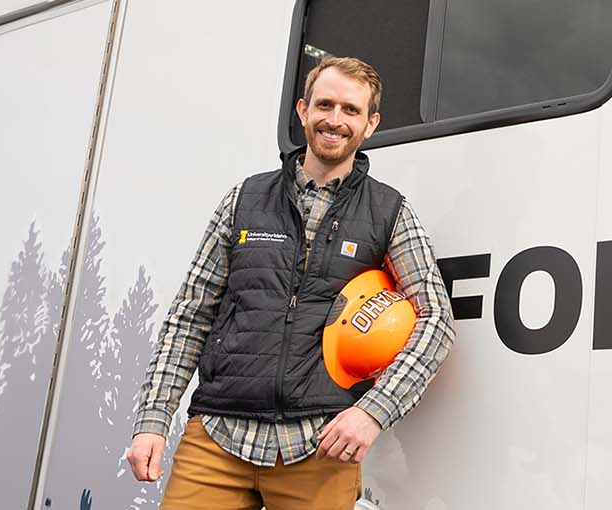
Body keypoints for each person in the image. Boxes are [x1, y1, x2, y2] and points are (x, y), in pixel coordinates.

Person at [125, 56, 455, 509]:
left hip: (319, 447)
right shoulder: (243, 200)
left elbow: (436, 320)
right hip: (218, 437)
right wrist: (153, 419)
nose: (334, 120)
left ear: (371, 124)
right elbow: (189, 317)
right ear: (303, 111)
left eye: (351, 110)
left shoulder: (390, 212)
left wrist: (372, 413)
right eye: (325, 105)